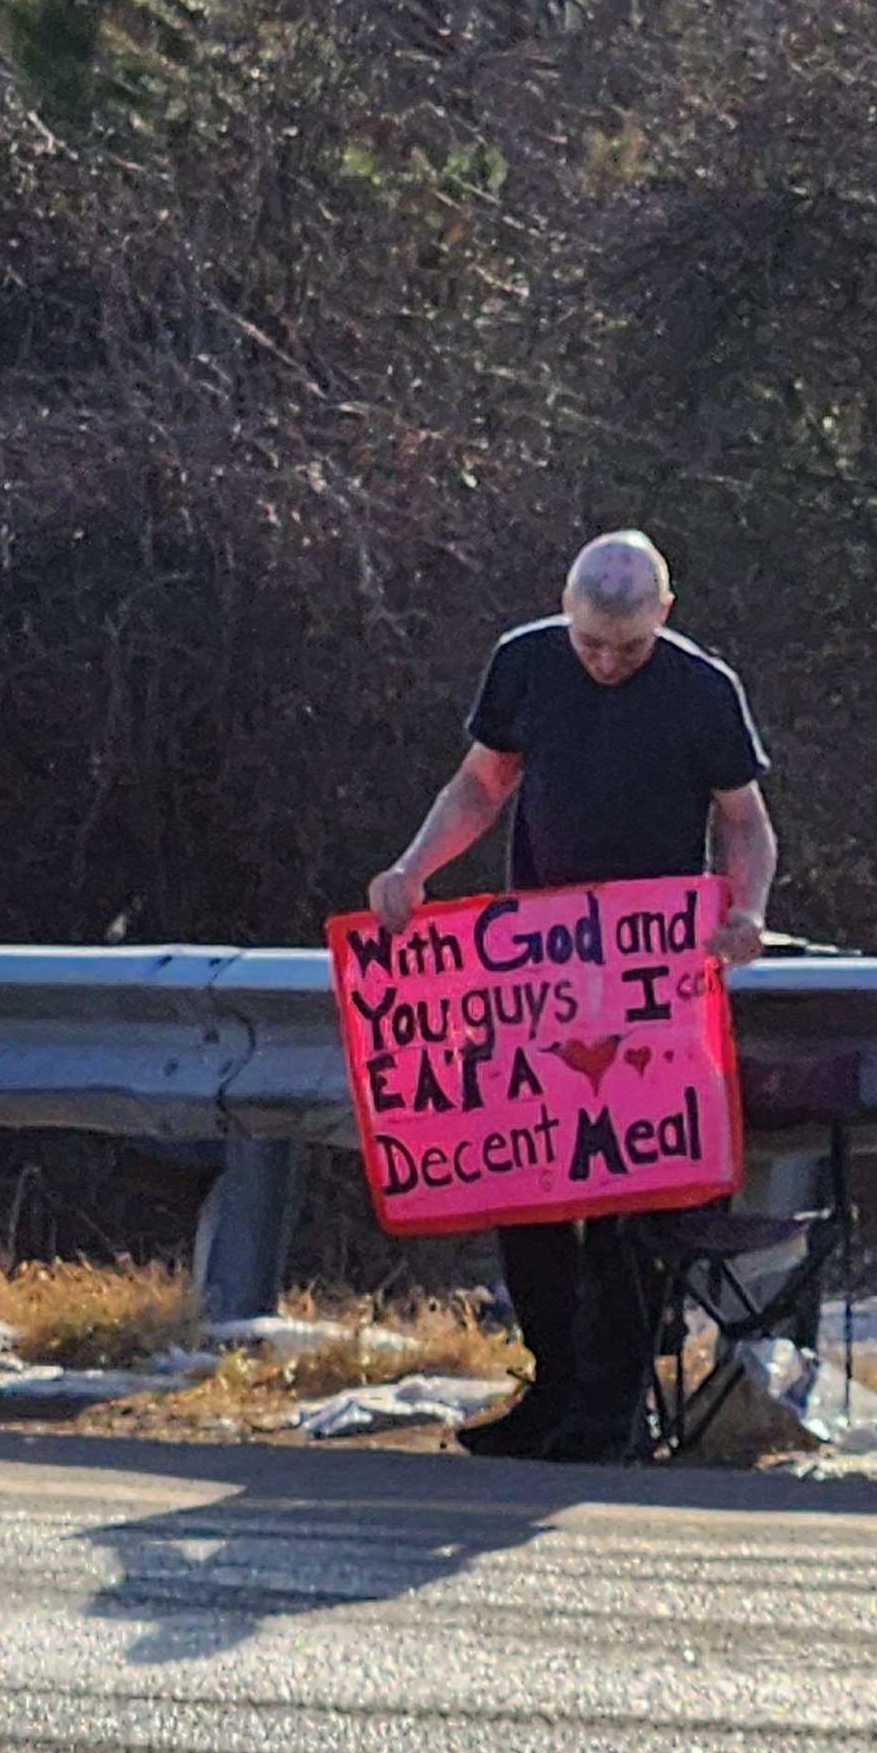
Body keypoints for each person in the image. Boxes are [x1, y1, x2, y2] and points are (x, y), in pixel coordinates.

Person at [365, 531, 778, 1461]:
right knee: (529, 1192)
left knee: (636, 1198)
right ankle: (553, 1386)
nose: (605, 662)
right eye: (590, 643)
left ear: (663, 615)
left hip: (652, 979)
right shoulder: (525, 662)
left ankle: (613, 1404)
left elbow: (746, 822)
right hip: (539, 977)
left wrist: (746, 910)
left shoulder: (702, 689)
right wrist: (414, 869)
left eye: (627, 647)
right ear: (565, 612)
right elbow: (482, 786)